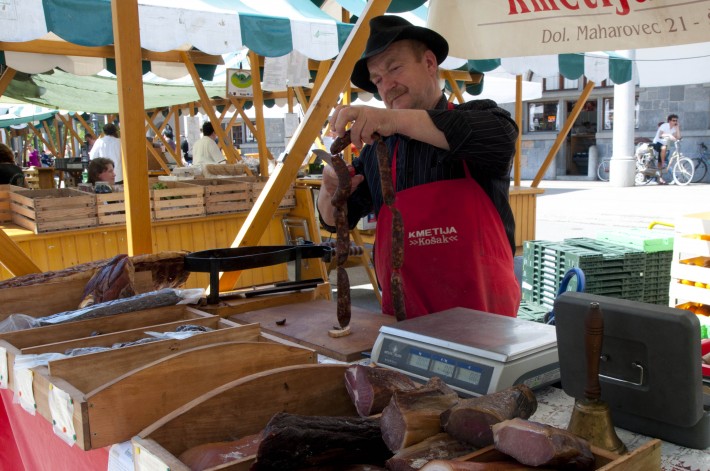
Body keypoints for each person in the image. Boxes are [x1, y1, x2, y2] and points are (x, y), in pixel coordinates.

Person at [317, 16, 521, 319]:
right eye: (378, 80)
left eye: (394, 68)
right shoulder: (378, 152)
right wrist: (329, 191)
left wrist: (388, 119)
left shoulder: (480, 117)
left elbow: (500, 138)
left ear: (428, 63)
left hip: (484, 320)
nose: (387, 85)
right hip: (404, 321)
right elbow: (337, 222)